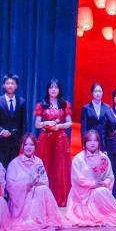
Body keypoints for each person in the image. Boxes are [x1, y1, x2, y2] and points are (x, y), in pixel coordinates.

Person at [66, 130, 116, 227]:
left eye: (95, 141)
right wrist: (93, 184)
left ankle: (104, 213)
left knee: (101, 191)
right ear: (85, 143)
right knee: (99, 191)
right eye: (89, 141)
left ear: (99, 143)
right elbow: (77, 178)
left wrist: (104, 183)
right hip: (82, 193)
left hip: (99, 188)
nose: (92, 143)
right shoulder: (79, 158)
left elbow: (110, 176)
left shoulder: (103, 157)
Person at [6, 134, 63, 231]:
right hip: (21, 199)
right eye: (26, 144)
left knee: (43, 189)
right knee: (33, 191)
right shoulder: (14, 163)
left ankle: (41, 219)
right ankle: (28, 219)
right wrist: (26, 185)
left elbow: (45, 182)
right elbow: (10, 186)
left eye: (31, 144)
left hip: (36, 194)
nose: (28, 147)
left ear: (35, 146)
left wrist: (35, 183)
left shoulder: (38, 161)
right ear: (22, 146)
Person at [33, 78, 72, 206]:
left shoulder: (64, 104)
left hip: (60, 139)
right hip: (46, 138)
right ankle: (43, 197)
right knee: (45, 165)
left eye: (56, 87)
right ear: (48, 90)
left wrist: (59, 126)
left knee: (60, 167)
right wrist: (47, 123)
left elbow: (69, 123)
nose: (53, 90)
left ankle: (59, 198)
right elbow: (37, 124)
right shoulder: (42, 104)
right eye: (51, 87)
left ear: (59, 89)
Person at [0, 73, 26, 166]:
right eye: (8, 83)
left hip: (16, 143)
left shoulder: (22, 101)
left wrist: (23, 141)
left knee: (14, 168)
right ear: (3, 85)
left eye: (12, 83)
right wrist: (1, 131)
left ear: (16, 86)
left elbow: (23, 123)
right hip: (1, 142)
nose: (10, 85)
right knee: (1, 167)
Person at [80, 83, 110, 149]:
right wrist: (84, 143)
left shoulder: (107, 108)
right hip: (90, 139)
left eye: (99, 91)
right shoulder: (86, 108)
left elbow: (109, 126)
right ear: (92, 93)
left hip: (103, 140)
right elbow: (83, 127)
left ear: (102, 93)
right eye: (95, 91)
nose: (98, 93)